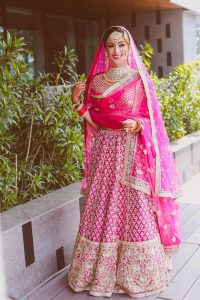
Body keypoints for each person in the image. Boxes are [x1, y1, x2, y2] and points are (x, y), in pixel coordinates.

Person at [67, 26, 181, 298]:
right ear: (104, 49)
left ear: (129, 48)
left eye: (121, 45)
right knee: (101, 209)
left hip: (133, 156)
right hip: (105, 154)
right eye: (110, 46)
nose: (116, 51)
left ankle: (136, 274)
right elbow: (95, 123)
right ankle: (97, 272)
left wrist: (138, 124)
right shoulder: (95, 82)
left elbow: (154, 123)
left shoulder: (141, 81)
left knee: (135, 211)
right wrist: (78, 104)